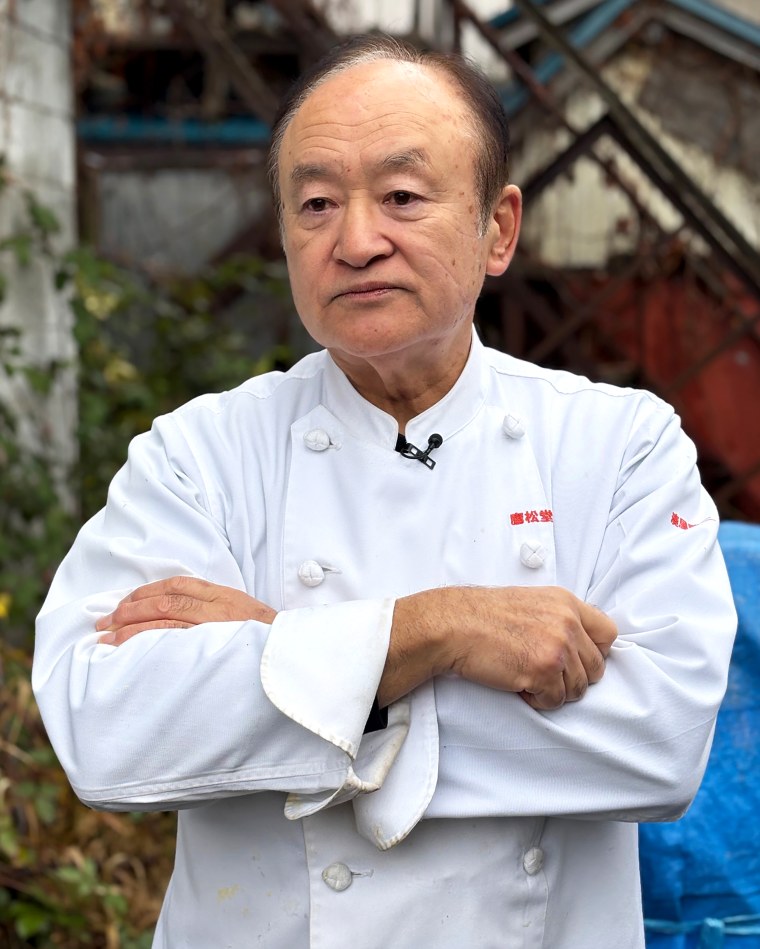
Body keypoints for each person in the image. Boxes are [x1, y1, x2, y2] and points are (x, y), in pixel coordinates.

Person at [33, 34, 736, 949]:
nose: (356, 241)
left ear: (499, 229)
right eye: (317, 203)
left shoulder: (619, 446)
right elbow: (103, 726)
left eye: (403, 197)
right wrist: (435, 628)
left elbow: (660, 742)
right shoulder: (199, 454)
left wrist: (287, 655)